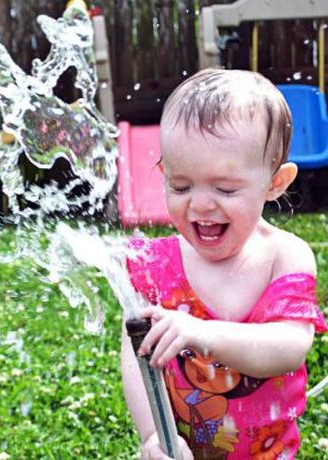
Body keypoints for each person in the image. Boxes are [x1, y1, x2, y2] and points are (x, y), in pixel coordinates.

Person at [121, 68, 328, 460]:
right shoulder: (155, 266)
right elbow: (137, 358)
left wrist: (204, 333)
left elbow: (289, 347)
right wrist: (152, 435)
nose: (200, 204)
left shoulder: (285, 256)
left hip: (270, 452)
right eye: (181, 186)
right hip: (182, 449)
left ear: (275, 183)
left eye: (225, 188)